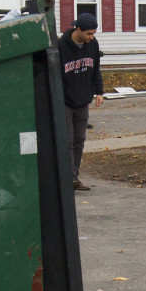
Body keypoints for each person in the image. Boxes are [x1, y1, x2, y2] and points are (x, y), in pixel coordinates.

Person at [56, 12, 104, 191]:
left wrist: (99, 91)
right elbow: (56, 75)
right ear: (78, 30)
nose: (91, 38)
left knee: (79, 139)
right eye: (89, 34)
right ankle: (68, 178)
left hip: (83, 100)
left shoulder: (93, 45)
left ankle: (74, 176)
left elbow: (96, 69)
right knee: (67, 140)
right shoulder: (61, 46)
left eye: (93, 34)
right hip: (66, 101)